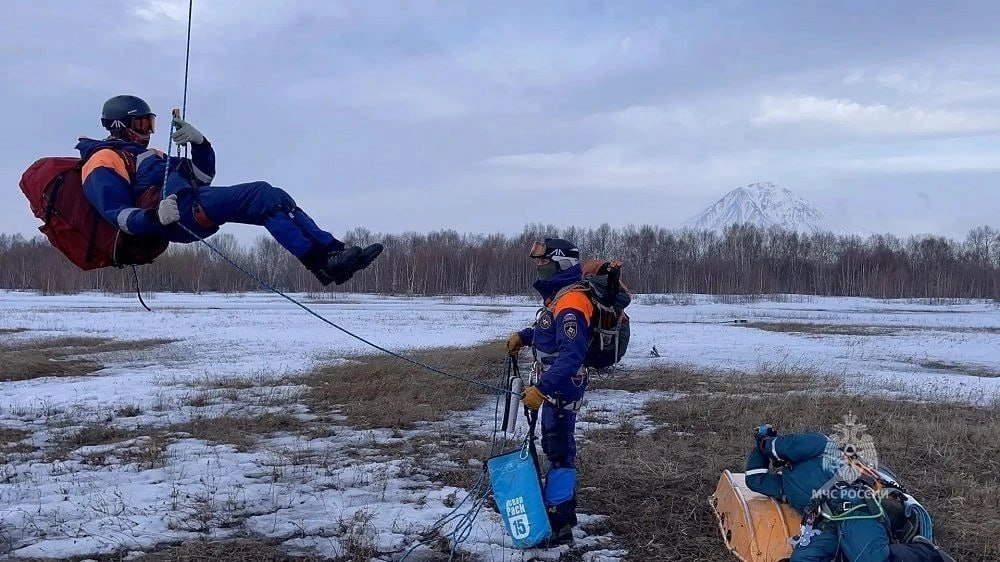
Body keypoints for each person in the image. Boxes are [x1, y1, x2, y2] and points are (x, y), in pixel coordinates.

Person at [76, 94, 382, 286]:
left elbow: (202, 176)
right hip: (173, 215)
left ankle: (333, 254)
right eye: (141, 124)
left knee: (276, 197)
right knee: (260, 193)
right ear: (118, 125)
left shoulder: (152, 156)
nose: (147, 131)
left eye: (150, 124)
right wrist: (155, 218)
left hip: (191, 203)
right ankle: (322, 264)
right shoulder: (103, 159)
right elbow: (116, 213)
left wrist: (200, 144)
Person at [746, 426, 956, 562]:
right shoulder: (785, 484)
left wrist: (765, 438)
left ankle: (929, 554)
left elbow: (778, 446)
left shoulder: (820, 445)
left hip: (856, 508)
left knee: (871, 558)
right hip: (824, 525)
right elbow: (754, 479)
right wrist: (758, 446)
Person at [506, 238, 592, 548]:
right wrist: (525, 336)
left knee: (559, 451)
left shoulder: (571, 303)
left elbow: (572, 355)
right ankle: (563, 512)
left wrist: (541, 389)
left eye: (544, 262)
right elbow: (548, 332)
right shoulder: (558, 297)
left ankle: (558, 524)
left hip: (561, 388)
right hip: (553, 385)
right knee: (555, 446)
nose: (539, 267)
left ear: (561, 264)